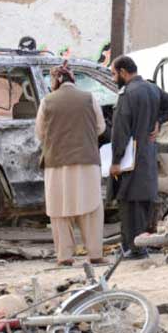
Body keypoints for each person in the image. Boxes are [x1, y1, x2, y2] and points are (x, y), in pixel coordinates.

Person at [35, 62, 107, 266]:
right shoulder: (89, 98)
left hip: (56, 163)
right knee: (91, 207)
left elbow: (40, 132)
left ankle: (65, 257)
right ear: (72, 79)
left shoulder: (46, 101)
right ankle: (95, 254)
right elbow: (100, 127)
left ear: (56, 80)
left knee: (60, 210)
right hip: (87, 162)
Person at [108, 56, 167, 258]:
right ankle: (143, 245)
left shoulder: (128, 94)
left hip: (130, 159)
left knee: (128, 203)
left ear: (124, 72)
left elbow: (121, 131)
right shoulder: (151, 88)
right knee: (144, 203)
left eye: (114, 74)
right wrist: (159, 120)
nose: (114, 78)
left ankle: (132, 248)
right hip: (148, 155)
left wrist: (116, 161)